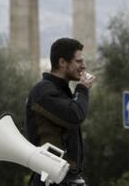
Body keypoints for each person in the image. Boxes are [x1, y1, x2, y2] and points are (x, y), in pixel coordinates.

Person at [25, 38, 96, 186]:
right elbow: (75, 115)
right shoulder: (43, 91)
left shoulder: (62, 91)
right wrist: (82, 89)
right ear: (63, 62)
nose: (84, 66)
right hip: (50, 178)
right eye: (79, 61)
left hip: (64, 178)